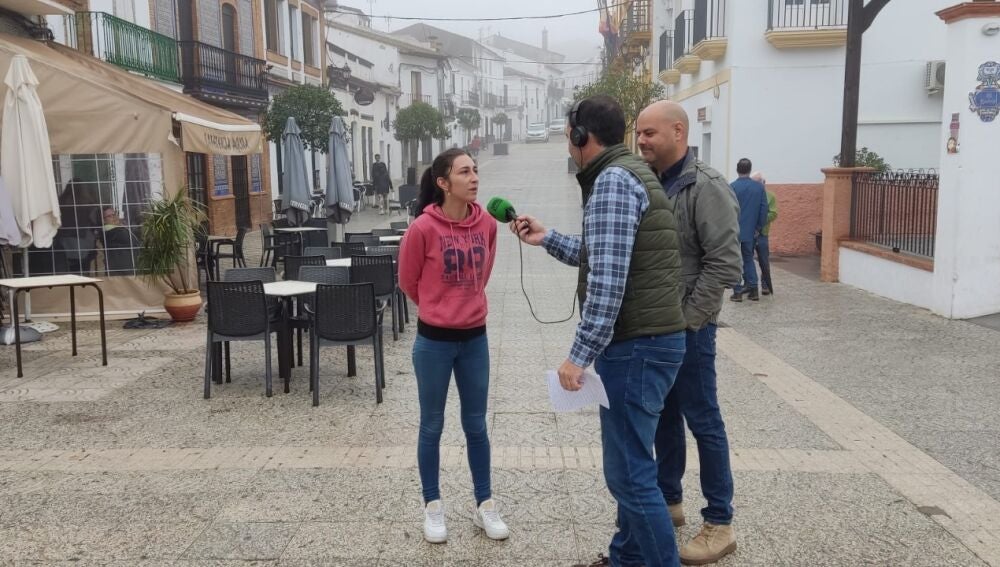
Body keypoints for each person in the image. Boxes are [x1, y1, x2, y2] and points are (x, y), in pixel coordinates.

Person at [513, 95, 688, 567]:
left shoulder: (611, 182)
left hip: (636, 345)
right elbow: (602, 256)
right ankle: (626, 558)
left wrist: (578, 356)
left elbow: (608, 284)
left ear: (579, 136)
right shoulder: (628, 173)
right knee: (635, 466)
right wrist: (546, 237)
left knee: (629, 475)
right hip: (653, 341)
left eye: (569, 136)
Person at [636, 100, 742, 566]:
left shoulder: (707, 186)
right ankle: (669, 501)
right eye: (639, 134)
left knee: (704, 421)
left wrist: (688, 322)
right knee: (665, 417)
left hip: (689, 331)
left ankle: (719, 523)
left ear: (678, 132)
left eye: (649, 134)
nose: (641, 142)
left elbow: (725, 264)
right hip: (659, 328)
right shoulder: (653, 182)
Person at [397, 148, 509, 545]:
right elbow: (408, 282)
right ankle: (433, 505)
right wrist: (438, 307)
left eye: (475, 170)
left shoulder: (488, 225)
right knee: (432, 424)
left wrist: (465, 305)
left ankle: (485, 504)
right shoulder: (422, 229)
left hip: (475, 339)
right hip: (434, 343)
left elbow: (484, 271)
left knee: (476, 424)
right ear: (444, 183)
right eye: (464, 172)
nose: (474, 177)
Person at [729, 158, 768, 302]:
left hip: (733, 230)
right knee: (748, 259)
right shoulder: (759, 188)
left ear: (737, 170)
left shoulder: (731, 187)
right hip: (751, 231)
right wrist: (758, 227)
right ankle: (753, 290)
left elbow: (726, 210)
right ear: (750, 170)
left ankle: (737, 291)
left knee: (734, 260)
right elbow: (764, 209)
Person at [751, 171, 778, 296]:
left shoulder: (770, 196)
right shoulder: (750, 195)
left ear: (763, 183)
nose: (756, 185)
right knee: (747, 260)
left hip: (763, 233)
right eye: (754, 183)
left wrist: (759, 219)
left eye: (758, 182)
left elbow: (773, 213)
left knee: (764, 260)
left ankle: (765, 285)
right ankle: (751, 284)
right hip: (749, 232)